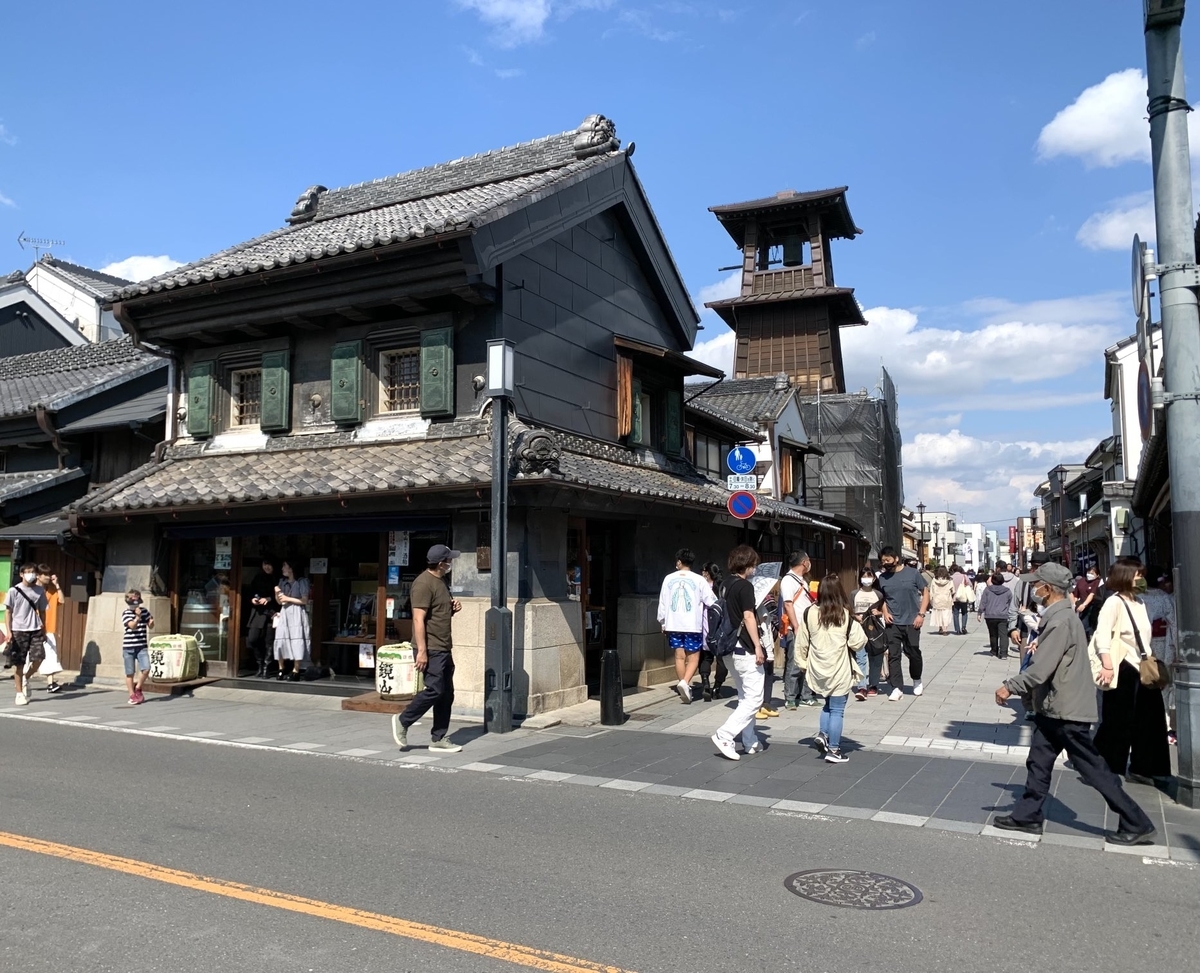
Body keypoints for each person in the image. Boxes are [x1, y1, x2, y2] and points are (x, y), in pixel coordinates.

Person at [992, 562, 1157, 845]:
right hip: (1054, 706)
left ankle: (1135, 820)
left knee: (1092, 768)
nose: (1033, 588)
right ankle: (1027, 815)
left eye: (1037, 584)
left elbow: (1041, 668)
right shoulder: (1060, 616)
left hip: (1066, 707)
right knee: (1039, 761)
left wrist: (1010, 686)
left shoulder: (1060, 620)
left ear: (1049, 589)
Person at [1091, 557, 1171, 783]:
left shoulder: (1140, 602)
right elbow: (1102, 635)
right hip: (1123, 666)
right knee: (1117, 720)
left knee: (1150, 720)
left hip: (1142, 665)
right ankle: (1103, 767)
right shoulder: (1113, 603)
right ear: (1126, 577)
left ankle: (1144, 767)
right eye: (1139, 575)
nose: (1142, 579)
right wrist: (1107, 664)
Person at [392, 545, 465, 753]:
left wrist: (451, 609)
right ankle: (403, 720)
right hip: (431, 647)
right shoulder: (423, 584)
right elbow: (418, 618)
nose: (451, 563)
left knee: (446, 694)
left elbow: (437, 614)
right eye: (449, 560)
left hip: (443, 646)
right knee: (435, 689)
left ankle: (438, 737)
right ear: (441, 563)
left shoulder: (440, 582)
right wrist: (422, 651)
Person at [794, 574, 867, 764]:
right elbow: (858, 642)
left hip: (818, 667)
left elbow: (801, 642)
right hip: (839, 668)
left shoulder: (809, 612)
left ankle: (823, 734)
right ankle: (834, 749)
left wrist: (802, 663)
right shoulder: (844, 614)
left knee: (827, 704)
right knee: (837, 710)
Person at [711, 545, 766, 761]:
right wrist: (758, 646)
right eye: (753, 564)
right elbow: (748, 617)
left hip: (727, 647)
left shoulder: (724, 584)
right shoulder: (745, 587)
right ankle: (725, 735)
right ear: (747, 564)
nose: (755, 568)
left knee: (744, 696)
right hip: (744, 647)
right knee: (754, 698)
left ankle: (750, 740)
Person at [657, 548, 716, 705]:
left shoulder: (668, 579)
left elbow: (662, 602)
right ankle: (685, 683)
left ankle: (685, 686)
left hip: (673, 623)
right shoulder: (699, 580)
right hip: (692, 624)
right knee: (693, 657)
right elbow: (711, 601)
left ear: (678, 561)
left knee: (679, 656)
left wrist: (662, 622)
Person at [877, 546, 928, 701]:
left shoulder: (913, 574)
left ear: (896, 558)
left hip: (913, 621)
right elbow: (882, 598)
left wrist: (921, 614)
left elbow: (926, 592)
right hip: (893, 623)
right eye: (883, 561)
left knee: (913, 652)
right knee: (893, 655)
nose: (885, 563)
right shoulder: (882, 578)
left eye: (888, 559)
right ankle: (897, 687)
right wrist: (885, 612)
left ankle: (917, 678)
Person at [1140, 565, 1179, 745]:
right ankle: (1163, 725)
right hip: (1163, 643)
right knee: (1162, 683)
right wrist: (1176, 647)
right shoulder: (1164, 599)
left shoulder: (1137, 598)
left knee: (1146, 685)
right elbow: (1174, 623)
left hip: (1142, 645)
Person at [2, 563, 47, 706]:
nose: (31, 575)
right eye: (27, 572)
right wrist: (9, 631)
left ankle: (26, 677)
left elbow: (43, 611)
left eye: (33, 572)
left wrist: (43, 629)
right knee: (19, 663)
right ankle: (19, 693)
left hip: (35, 628)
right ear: (21, 574)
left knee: (39, 657)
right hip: (18, 629)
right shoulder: (13, 591)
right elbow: (8, 612)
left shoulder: (39, 590)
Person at [779, 551, 817, 710]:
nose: (809, 564)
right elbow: (788, 605)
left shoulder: (802, 580)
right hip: (797, 627)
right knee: (795, 663)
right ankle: (790, 697)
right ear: (804, 562)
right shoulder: (788, 580)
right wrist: (795, 626)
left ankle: (806, 695)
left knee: (807, 662)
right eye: (808, 561)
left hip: (807, 626)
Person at [27, 564, 65, 693]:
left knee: (50, 654)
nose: (48, 577)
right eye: (46, 575)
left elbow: (62, 600)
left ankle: (50, 683)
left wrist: (57, 585)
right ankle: (23, 679)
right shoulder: (31, 590)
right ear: (38, 576)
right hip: (32, 628)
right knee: (29, 656)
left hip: (48, 628)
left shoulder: (51, 591)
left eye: (49, 574)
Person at [273, 558, 311, 681]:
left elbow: (304, 600)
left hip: (297, 612)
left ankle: (296, 670)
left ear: (291, 568)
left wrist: (287, 598)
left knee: (297, 639)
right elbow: (280, 601)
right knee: (280, 638)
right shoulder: (282, 582)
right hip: (284, 611)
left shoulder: (302, 582)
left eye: (285, 566)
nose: (282, 568)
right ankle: (281, 668)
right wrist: (276, 594)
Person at [852, 568, 887, 698]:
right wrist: (856, 616)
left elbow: (885, 610)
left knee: (876, 658)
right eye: (864, 576)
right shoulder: (854, 594)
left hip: (875, 630)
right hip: (859, 629)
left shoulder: (878, 594)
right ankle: (862, 687)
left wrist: (880, 613)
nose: (866, 579)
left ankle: (873, 685)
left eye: (869, 576)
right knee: (861, 658)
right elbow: (850, 610)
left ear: (873, 578)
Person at [697, 562, 729, 700]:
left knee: (706, 657)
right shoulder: (722, 589)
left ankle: (705, 683)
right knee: (722, 660)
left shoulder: (700, 588)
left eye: (703, 571)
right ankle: (717, 687)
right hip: (721, 629)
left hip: (705, 628)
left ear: (707, 573)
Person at [246, 556, 278, 678]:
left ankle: (266, 668)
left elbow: (280, 596)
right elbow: (251, 592)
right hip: (258, 612)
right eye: (265, 564)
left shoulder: (277, 579)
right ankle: (259, 664)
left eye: (269, 564)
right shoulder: (258, 577)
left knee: (269, 641)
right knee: (252, 639)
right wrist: (253, 599)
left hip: (272, 612)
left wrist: (269, 599)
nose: (267, 567)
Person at [121, 589, 153, 705]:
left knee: (146, 668)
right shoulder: (126, 613)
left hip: (142, 645)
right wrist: (137, 617)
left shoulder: (144, 611)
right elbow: (132, 626)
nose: (135, 600)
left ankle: (138, 688)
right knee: (130, 672)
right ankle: (132, 695)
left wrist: (150, 622)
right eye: (132, 598)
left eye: (137, 598)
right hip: (129, 646)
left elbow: (151, 625)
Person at [977, 572, 1013, 659]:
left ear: (992, 580)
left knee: (993, 634)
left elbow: (983, 602)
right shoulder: (1007, 591)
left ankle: (994, 650)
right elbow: (1011, 603)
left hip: (990, 615)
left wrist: (979, 612)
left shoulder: (987, 590)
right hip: (1003, 615)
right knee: (1003, 634)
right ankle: (1003, 653)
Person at [1073, 565, 1102, 637]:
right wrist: (1075, 604)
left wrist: (1084, 605)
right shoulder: (1081, 581)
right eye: (1089, 572)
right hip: (1081, 606)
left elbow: (1092, 594)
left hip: (1093, 606)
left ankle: (1090, 637)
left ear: (1097, 575)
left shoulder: (1097, 582)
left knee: (1089, 624)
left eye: (1092, 573)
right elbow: (1076, 594)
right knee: (1082, 623)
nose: (1090, 575)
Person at [927, 566, 954, 636]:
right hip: (946, 599)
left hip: (937, 598)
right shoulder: (949, 580)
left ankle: (940, 627)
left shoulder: (934, 580)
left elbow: (932, 591)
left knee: (939, 614)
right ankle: (945, 629)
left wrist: (931, 599)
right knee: (946, 614)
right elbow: (953, 590)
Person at [952, 566, 974, 636]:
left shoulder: (951, 577)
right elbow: (970, 585)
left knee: (955, 613)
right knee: (964, 612)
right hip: (963, 597)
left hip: (955, 598)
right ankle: (963, 627)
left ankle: (957, 630)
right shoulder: (964, 576)